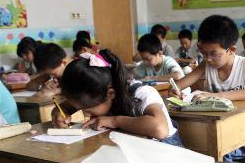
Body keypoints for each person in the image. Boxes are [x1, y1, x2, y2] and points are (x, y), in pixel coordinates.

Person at [170, 15, 245, 162]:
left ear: (231, 49)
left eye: (213, 54)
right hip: (219, 131)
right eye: (203, 52)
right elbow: (179, 85)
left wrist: (219, 95)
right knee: (185, 146)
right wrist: (175, 91)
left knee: (218, 155)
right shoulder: (207, 65)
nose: (208, 58)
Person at [52, 50, 182, 145]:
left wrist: (115, 121)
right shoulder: (94, 97)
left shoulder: (141, 93)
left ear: (110, 94)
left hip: (166, 156)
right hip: (135, 152)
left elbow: (159, 128)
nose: (83, 113)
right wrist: (59, 113)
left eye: (88, 110)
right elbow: (66, 106)